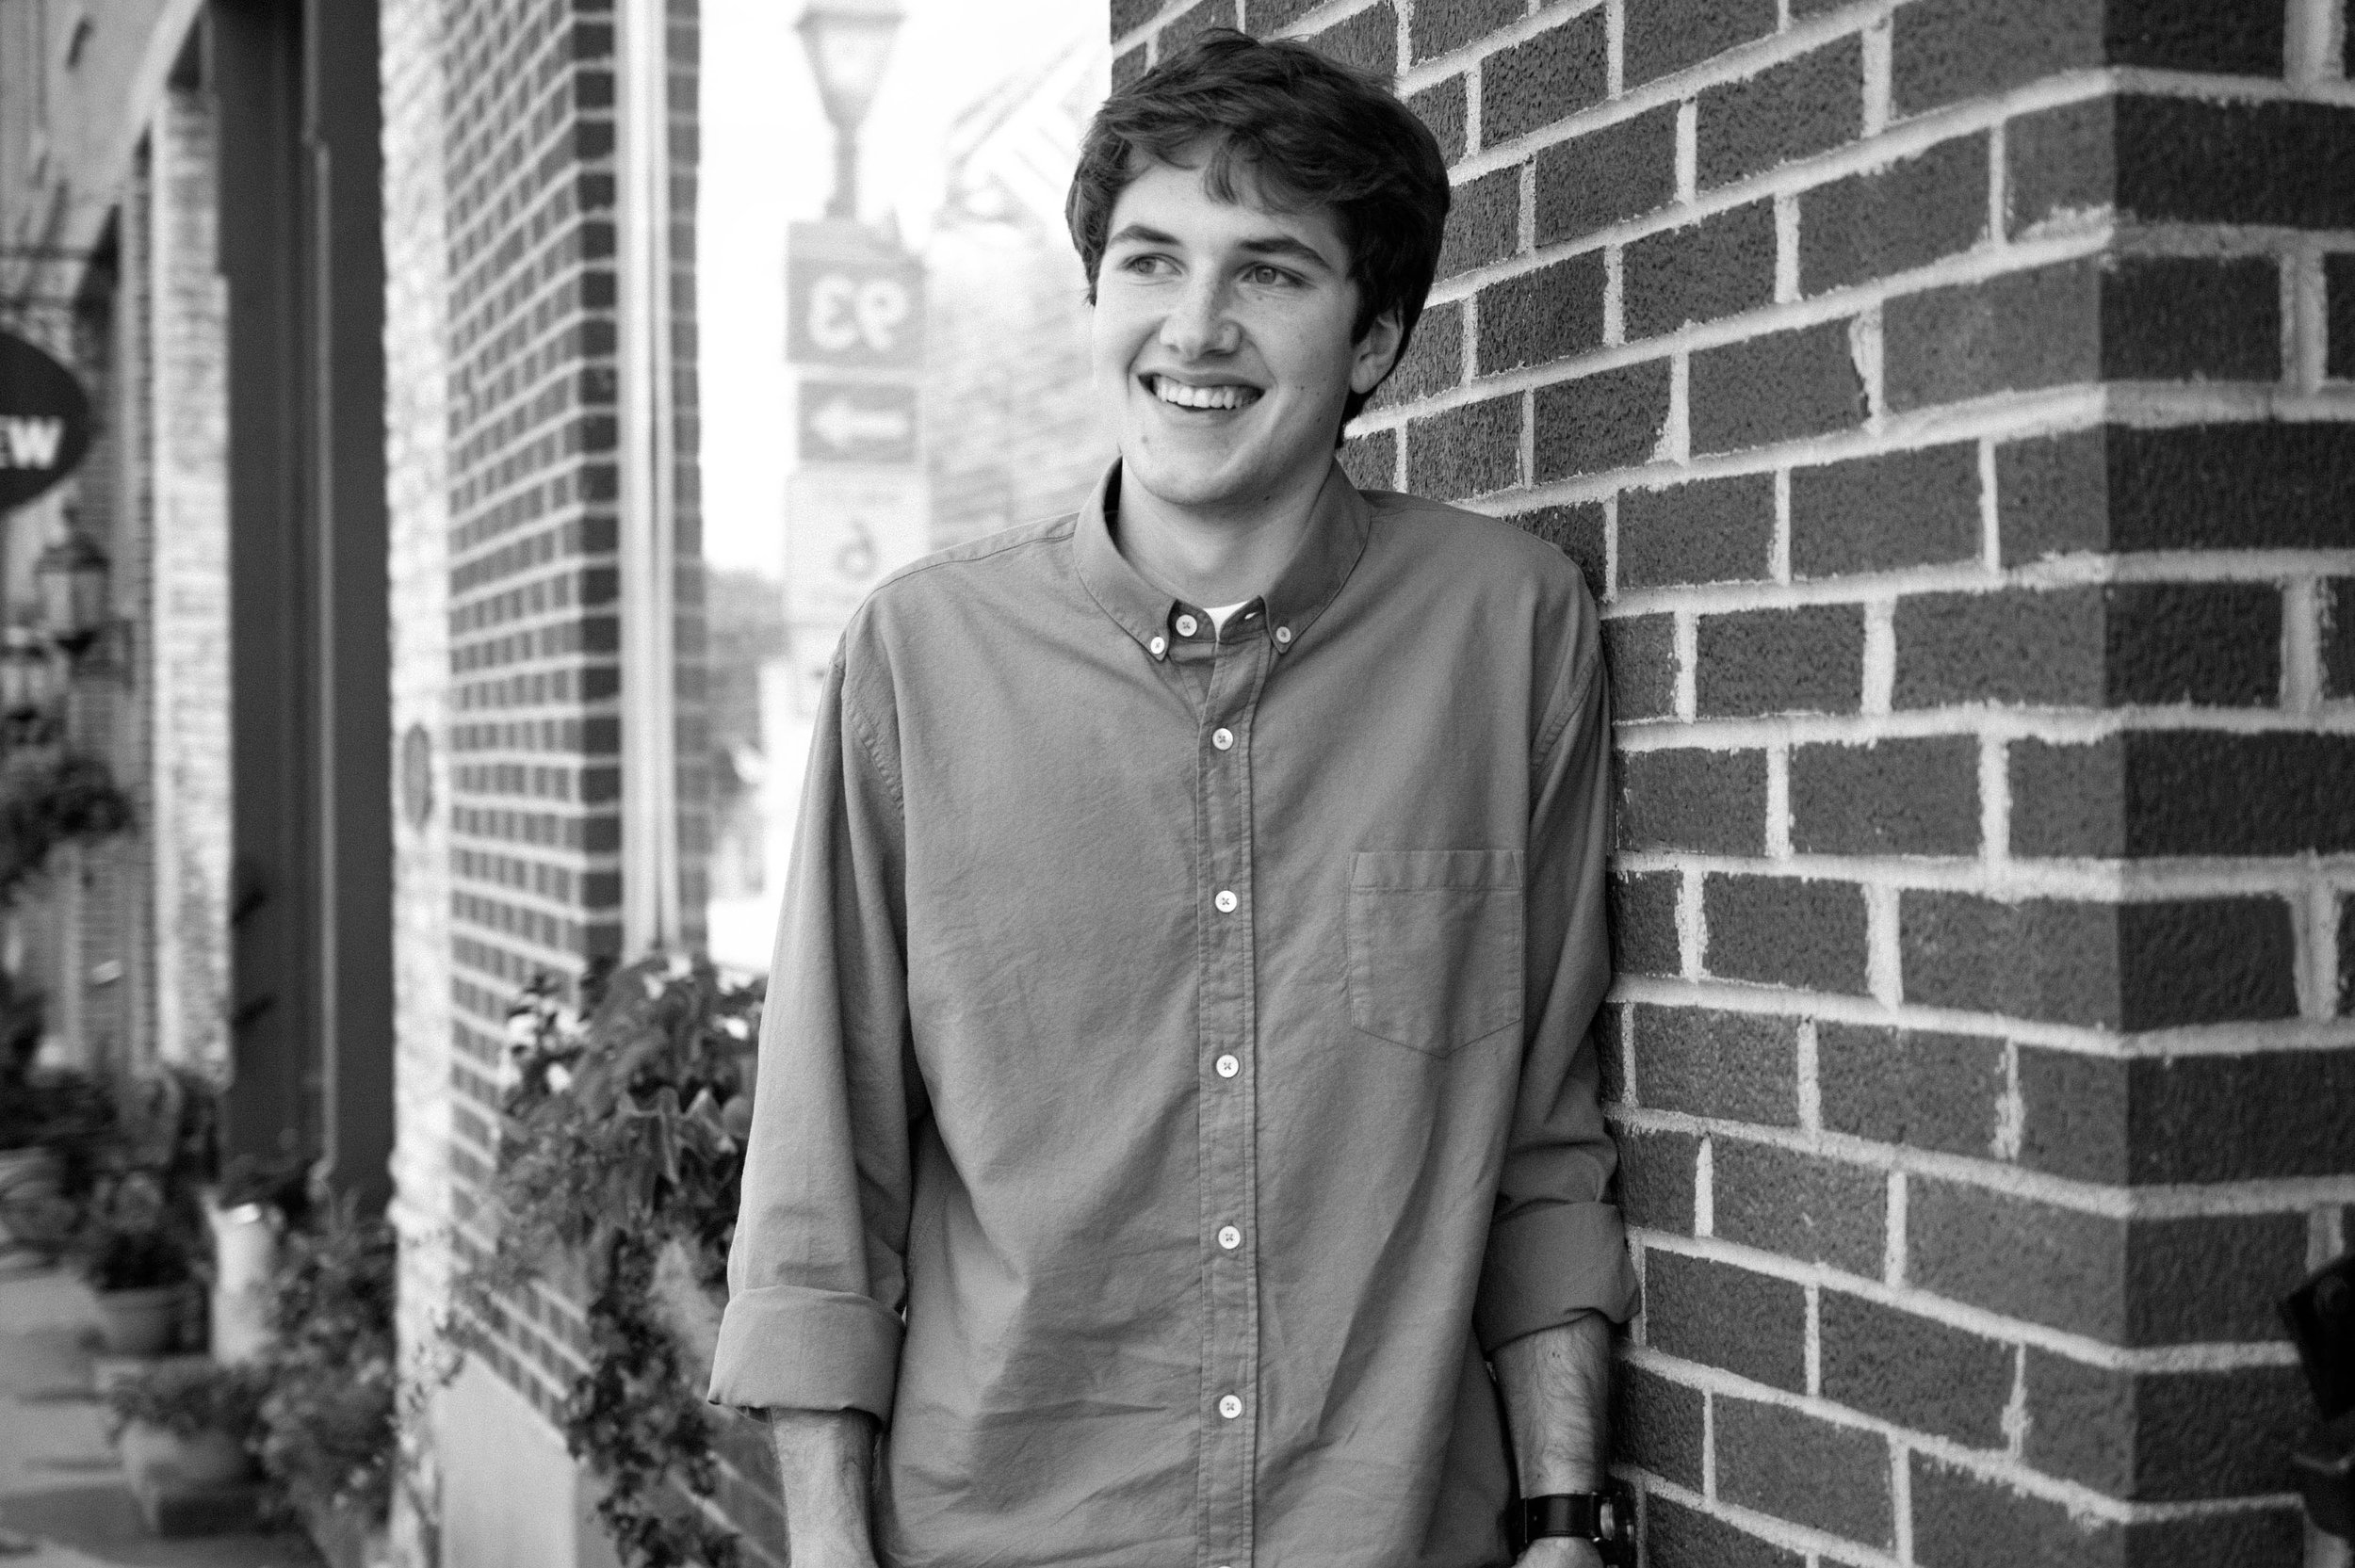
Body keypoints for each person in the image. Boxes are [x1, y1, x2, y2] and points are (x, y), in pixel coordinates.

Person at [709, 29, 1637, 1568]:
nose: (1195, 327)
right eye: (1151, 261)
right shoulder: (920, 660)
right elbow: (822, 1169)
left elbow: (1540, 1134)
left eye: (1269, 271)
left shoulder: (1507, 631)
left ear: (1374, 340)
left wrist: (1560, 1518)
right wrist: (824, 1546)